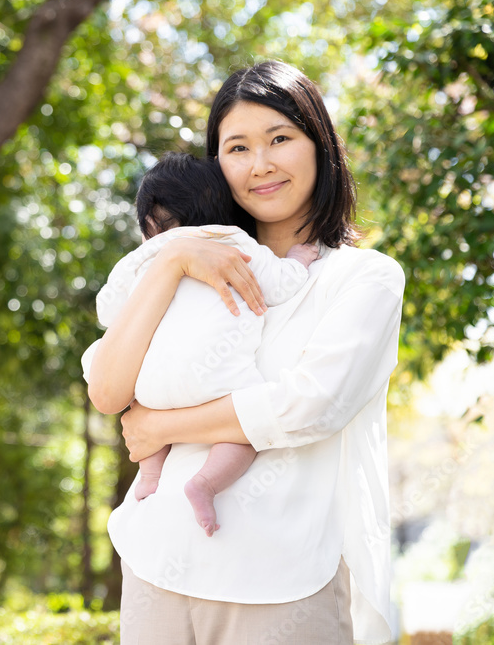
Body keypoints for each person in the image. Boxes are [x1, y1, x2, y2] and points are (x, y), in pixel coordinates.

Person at [86, 60, 404, 644]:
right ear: (217, 166)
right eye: (237, 148)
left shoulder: (365, 277)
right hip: (158, 561)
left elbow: (308, 407)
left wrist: (160, 425)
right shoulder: (179, 267)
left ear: (320, 147)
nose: (260, 165)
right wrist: (177, 257)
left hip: (282, 580)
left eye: (280, 139)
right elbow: (107, 392)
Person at [82, 151, 320, 537]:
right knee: (244, 432)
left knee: (122, 376)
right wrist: (299, 258)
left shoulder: (140, 260)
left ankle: (150, 473)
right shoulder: (235, 242)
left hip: (148, 390)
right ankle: (206, 484)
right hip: (218, 382)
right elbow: (282, 284)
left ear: (148, 225)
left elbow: (109, 311)